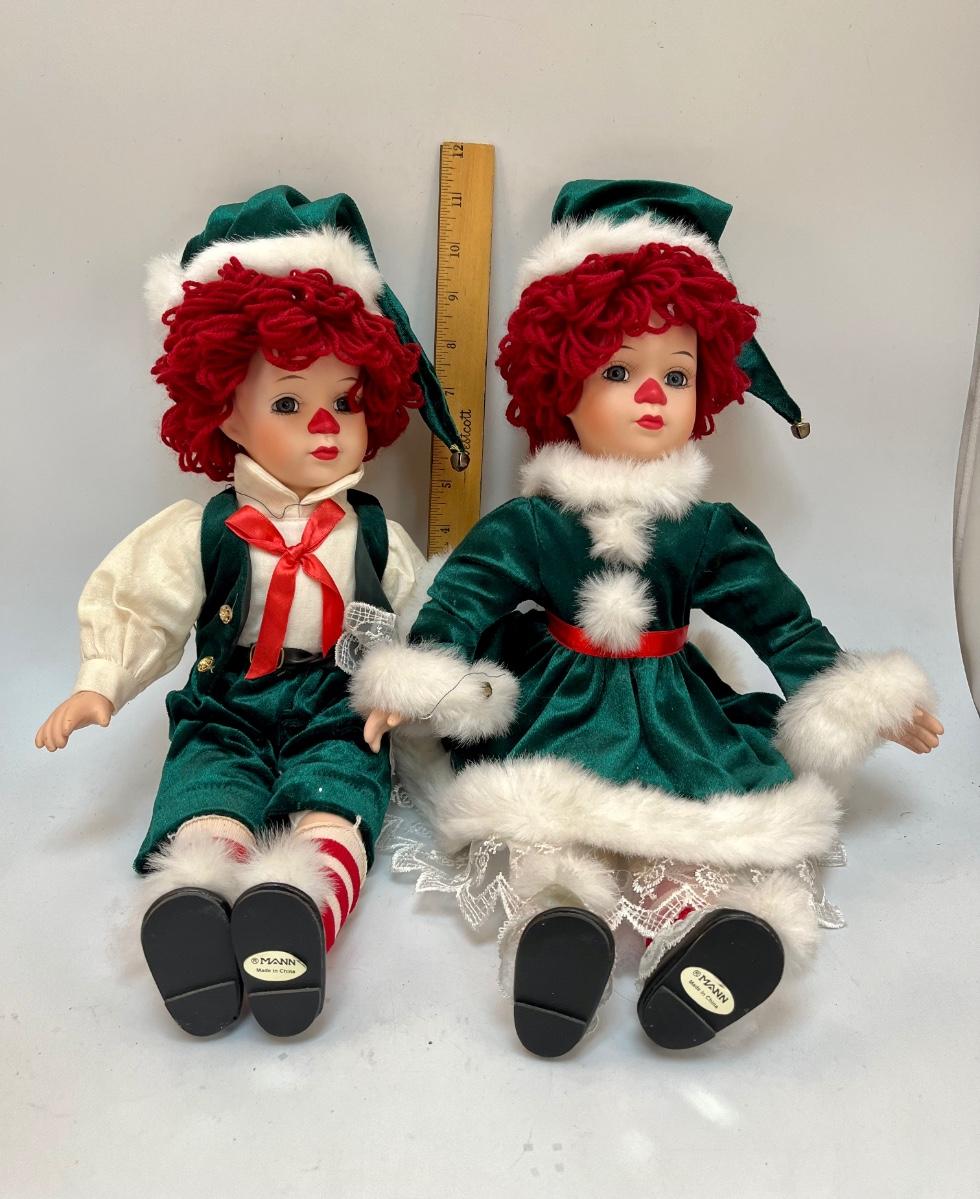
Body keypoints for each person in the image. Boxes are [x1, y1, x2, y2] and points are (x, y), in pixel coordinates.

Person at [354, 180, 943, 1058]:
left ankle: (704, 942)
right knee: (544, 829)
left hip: (675, 711)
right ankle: (562, 935)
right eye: (619, 372)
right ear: (563, 386)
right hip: (559, 703)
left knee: (700, 829)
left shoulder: (708, 529)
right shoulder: (533, 522)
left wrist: (862, 695)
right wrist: (415, 677)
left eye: (676, 374)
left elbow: (781, 622)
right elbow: (465, 597)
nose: (653, 395)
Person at [35, 185, 471, 1039]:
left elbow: (420, 611)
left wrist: (402, 686)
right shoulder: (201, 530)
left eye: (345, 401)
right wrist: (101, 681)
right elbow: (144, 599)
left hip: (337, 702)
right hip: (227, 699)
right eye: (288, 403)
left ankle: (294, 915)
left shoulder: (375, 536)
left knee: (341, 790)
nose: (323, 424)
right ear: (225, 409)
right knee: (207, 781)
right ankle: (196, 909)